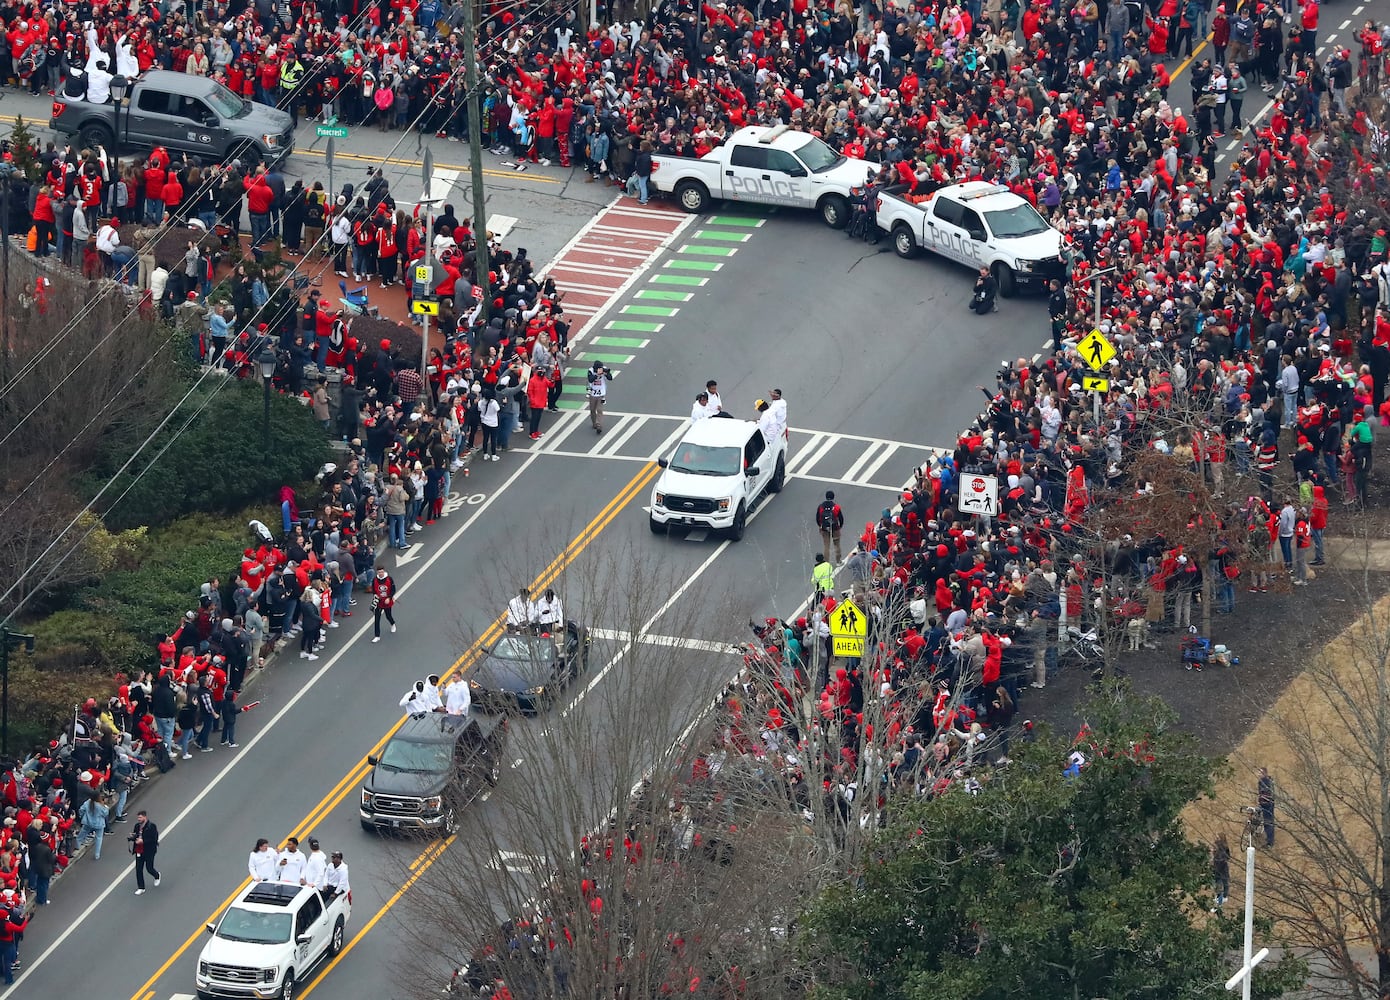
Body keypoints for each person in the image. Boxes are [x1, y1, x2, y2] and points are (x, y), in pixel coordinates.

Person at [129, 810, 161, 894]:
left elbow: (154, 839)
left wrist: (143, 841)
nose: (138, 819)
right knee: (138, 869)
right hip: (139, 851)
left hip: (149, 851)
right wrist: (132, 837)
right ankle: (141, 887)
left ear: (145, 817)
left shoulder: (151, 826)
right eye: (138, 817)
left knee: (149, 868)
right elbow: (136, 835)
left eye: (140, 817)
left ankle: (157, 875)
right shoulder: (137, 826)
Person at [816, 491, 844, 563]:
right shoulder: (836, 507)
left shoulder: (821, 507)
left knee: (826, 546)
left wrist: (820, 526)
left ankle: (826, 562)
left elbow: (817, 518)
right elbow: (841, 519)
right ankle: (838, 561)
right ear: (833, 497)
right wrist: (839, 526)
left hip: (825, 529)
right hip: (835, 528)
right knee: (837, 545)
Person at [586, 361, 614, 433]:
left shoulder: (603, 369)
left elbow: (610, 378)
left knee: (599, 410)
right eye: (599, 368)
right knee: (592, 410)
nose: (601, 369)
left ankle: (599, 425)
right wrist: (597, 374)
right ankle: (594, 423)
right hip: (592, 393)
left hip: (601, 394)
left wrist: (606, 374)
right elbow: (590, 379)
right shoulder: (590, 370)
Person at [370, 567, 397, 642]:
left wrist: (389, 598)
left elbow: (393, 589)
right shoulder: (374, 580)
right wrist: (375, 595)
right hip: (379, 602)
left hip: (387, 601)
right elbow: (374, 590)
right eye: (379, 572)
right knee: (377, 619)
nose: (380, 573)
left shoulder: (389, 579)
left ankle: (392, 623)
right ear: (377, 573)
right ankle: (377, 635)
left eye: (382, 572)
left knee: (388, 616)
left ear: (384, 571)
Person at [1212, 833, 1231, 910]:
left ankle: (1219, 903)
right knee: (1221, 885)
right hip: (1218, 869)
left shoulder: (1222, 849)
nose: (1215, 838)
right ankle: (1222, 898)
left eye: (1217, 837)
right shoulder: (1218, 847)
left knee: (1221, 886)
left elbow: (1226, 858)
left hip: (1221, 870)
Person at [1257, 767, 1275, 847]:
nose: (1258, 774)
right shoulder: (1265, 781)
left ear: (1264, 773)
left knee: (1268, 822)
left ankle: (1270, 842)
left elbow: (1266, 793)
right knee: (1266, 821)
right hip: (1264, 803)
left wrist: (1263, 801)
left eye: (1260, 773)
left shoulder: (1266, 781)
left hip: (1267, 804)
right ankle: (1268, 838)